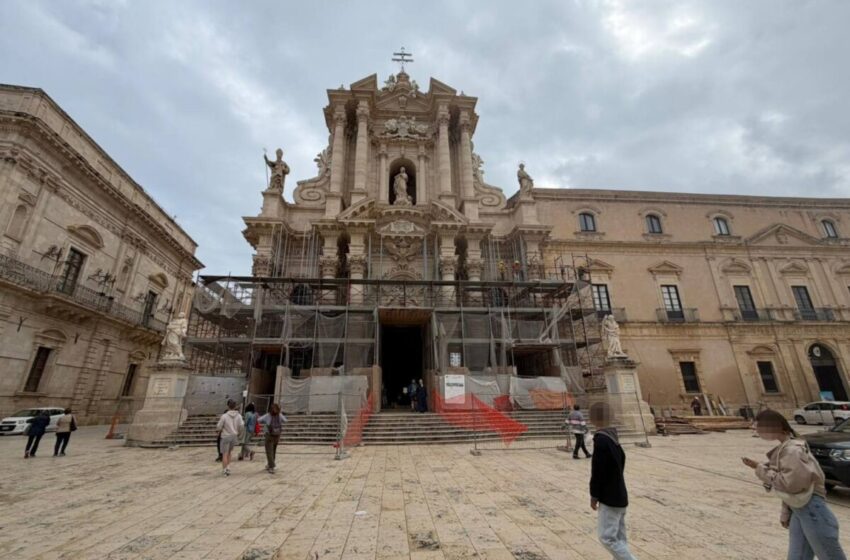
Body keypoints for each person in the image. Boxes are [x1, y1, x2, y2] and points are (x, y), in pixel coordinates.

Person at [743, 410, 846, 559]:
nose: (755, 429)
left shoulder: (792, 450)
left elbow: (791, 485)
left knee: (829, 555)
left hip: (812, 510)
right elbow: (793, 490)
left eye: (758, 426)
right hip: (800, 509)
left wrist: (759, 469)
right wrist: (787, 511)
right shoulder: (787, 447)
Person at [589, 402, 637, 560]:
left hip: (610, 497)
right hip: (620, 494)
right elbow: (621, 462)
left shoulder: (601, 440)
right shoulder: (613, 438)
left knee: (607, 538)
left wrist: (594, 495)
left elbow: (598, 470)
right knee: (619, 538)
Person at [215, 400, 244, 476]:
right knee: (230, 453)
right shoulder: (239, 416)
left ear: (228, 406)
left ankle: (224, 470)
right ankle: (228, 467)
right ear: (235, 406)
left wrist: (218, 430)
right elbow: (241, 426)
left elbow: (218, 426)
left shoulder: (224, 416)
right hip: (234, 435)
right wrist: (239, 434)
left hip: (225, 436)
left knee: (224, 453)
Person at [258, 404, 287, 474]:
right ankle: (270, 464)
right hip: (277, 435)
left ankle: (271, 466)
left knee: (269, 451)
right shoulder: (279, 415)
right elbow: (285, 420)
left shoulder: (268, 415)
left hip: (269, 435)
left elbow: (259, 420)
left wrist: (265, 422)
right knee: (273, 450)